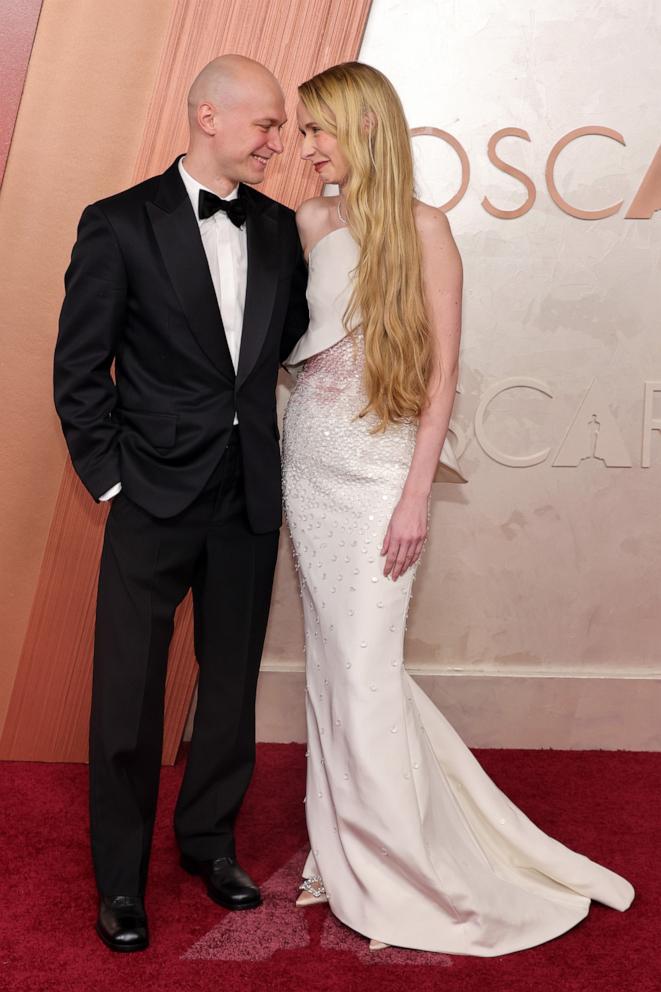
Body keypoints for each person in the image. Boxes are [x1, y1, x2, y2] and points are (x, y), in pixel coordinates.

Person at [282, 61, 634, 955]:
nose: (306, 144)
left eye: (319, 128)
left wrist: (413, 500)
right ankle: (346, 851)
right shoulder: (309, 219)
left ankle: (408, 867)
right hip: (308, 466)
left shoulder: (423, 227)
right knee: (336, 670)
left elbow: (440, 376)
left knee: (364, 671)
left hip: (377, 476)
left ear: (364, 128)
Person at [54, 55, 308, 952]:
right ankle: (119, 882)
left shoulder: (280, 228)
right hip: (150, 497)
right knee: (127, 697)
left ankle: (209, 843)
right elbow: (79, 371)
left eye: (280, 126)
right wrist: (114, 480)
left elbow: (286, 352)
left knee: (230, 687)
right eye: (267, 124)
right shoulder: (118, 223)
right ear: (208, 116)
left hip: (247, 496)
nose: (279, 141)